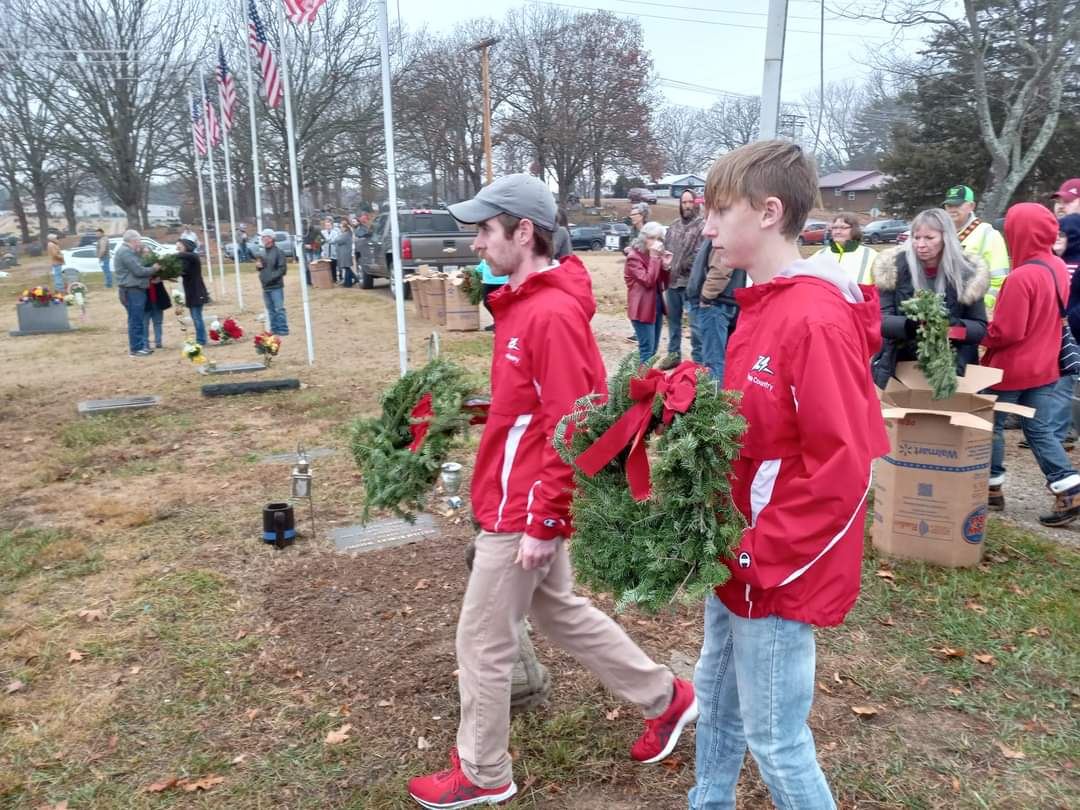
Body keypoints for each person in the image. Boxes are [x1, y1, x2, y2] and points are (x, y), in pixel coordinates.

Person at [407, 173, 698, 809]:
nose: (477, 243)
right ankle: (666, 697)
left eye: (485, 230)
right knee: (557, 610)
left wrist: (544, 519)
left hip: (522, 508)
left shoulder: (551, 312)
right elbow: (534, 406)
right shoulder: (521, 303)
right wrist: (486, 409)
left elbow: (574, 424)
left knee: (481, 641)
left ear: (524, 231)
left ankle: (484, 772)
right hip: (517, 497)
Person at [691, 139, 890, 810]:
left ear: (770, 211)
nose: (708, 227)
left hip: (774, 569)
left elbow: (846, 463)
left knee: (775, 738)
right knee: (715, 700)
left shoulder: (814, 319)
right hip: (737, 558)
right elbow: (757, 432)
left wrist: (761, 552)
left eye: (720, 210)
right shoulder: (761, 305)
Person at [982, 202, 1080, 526]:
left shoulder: (1021, 277)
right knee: (1039, 428)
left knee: (989, 428)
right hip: (1046, 366)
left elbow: (1006, 332)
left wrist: (977, 332)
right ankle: (1069, 487)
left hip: (1011, 370)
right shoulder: (1055, 265)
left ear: (1018, 233)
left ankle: (990, 489)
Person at [871, 208, 989, 389]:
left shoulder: (967, 274)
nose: (921, 244)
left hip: (952, 368)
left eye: (929, 238)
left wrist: (951, 327)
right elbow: (880, 321)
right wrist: (910, 326)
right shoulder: (893, 268)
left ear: (946, 238)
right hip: (899, 367)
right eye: (916, 237)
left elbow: (979, 329)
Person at [685, 241, 746, 383]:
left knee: (714, 362)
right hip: (729, 302)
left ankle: (714, 402)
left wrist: (706, 297)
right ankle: (726, 400)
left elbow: (721, 269)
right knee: (727, 360)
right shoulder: (737, 232)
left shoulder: (723, 234)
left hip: (716, 304)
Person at [942, 185, 1009, 312]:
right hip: (944, 309)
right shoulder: (940, 233)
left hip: (972, 312)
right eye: (949, 205)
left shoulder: (989, 234)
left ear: (972, 206)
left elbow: (1000, 280)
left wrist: (981, 307)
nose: (952, 209)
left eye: (958, 205)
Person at [661, 189, 705, 368]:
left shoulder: (701, 226)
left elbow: (699, 255)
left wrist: (681, 266)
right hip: (672, 283)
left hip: (691, 283)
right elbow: (667, 249)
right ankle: (673, 355)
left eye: (689, 202)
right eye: (683, 202)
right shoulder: (673, 226)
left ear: (695, 203)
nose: (686, 206)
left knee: (695, 327)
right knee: (673, 322)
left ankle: (699, 362)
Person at [624, 221, 670, 364]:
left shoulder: (651, 255)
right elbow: (648, 281)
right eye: (652, 238)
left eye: (659, 239)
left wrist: (666, 267)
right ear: (643, 238)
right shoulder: (634, 258)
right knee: (646, 351)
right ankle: (638, 384)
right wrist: (655, 258)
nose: (656, 242)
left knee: (653, 350)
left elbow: (663, 284)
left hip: (655, 307)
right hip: (642, 309)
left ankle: (639, 380)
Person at [114, 229, 156, 356]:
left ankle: (140, 346)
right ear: (133, 240)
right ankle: (136, 349)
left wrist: (138, 254)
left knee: (137, 319)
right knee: (135, 320)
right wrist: (154, 268)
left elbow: (137, 265)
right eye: (139, 240)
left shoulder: (128, 252)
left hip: (134, 290)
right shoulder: (125, 252)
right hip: (132, 290)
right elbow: (138, 270)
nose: (140, 243)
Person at [816, 212, 877, 285]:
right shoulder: (819, 254)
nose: (837, 231)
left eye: (843, 228)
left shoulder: (871, 255)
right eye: (834, 228)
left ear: (854, 229)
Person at [176, 238, 210, 345]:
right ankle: (200, 339)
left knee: (197, 317)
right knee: (195, 317)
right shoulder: (185, 260)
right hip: (190, 292)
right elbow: (182, 271)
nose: (178, 247)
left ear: (186, 246)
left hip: (197, 291)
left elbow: (183, 255)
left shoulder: (193, 256)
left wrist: (172, 255)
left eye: (180, 245)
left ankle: (201, 340)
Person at [255, 228, 289, 335]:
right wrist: (259, 267)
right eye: (262, 237)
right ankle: (274, 329)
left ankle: (283, 329)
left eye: (265, 237)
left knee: (279, 309)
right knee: (270, 310)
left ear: (271, 238)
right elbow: (261, 268)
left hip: (276, 286)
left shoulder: (279, 252)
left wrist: (270, 278)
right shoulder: (261, 253)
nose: (263, 239)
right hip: (265, 287)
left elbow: (282, 270)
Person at [143, 275, 171, 350]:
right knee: (145, 324)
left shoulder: (158, 273)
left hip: (158, 301)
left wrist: (161, 278)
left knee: (157, 322)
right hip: (145, 301)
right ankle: (145, 344)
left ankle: (158, 342)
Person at [335, 218, 356, 287]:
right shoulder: (346, 233)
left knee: (346, 267)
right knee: (346, 268)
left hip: (345, 253)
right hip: (344, 252)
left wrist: (337, 237)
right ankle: (351, 280)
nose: (340, 229)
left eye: (341, 227)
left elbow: (338, 240)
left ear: (345, 228)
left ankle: (348, 283)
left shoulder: (346, 234)